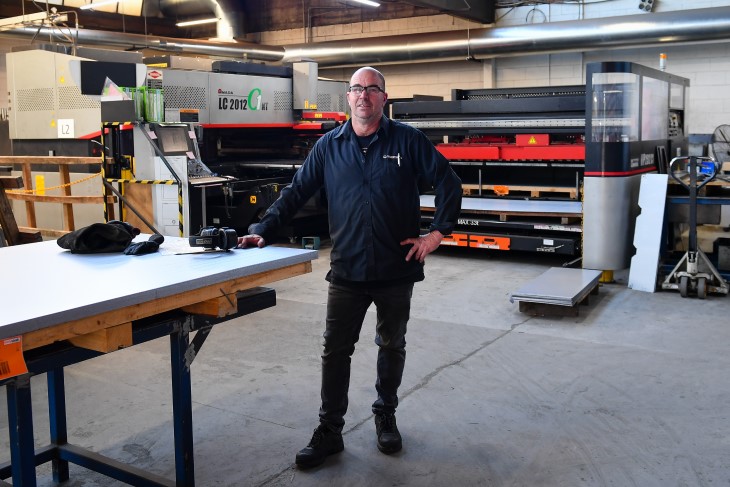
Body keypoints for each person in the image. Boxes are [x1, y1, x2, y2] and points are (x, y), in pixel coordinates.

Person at [237, 66, 462, 468]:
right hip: (347, 270)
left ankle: (385, 414)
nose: (364, 96)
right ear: (348, 98)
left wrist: (436, 234)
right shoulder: (328, 146)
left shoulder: (407, 141)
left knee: (391, 344)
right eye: (357, 89)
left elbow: (449, 183)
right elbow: (296, 191)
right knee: (335, 351)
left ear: (384, 98)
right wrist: (262, 230)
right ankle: (330, 430)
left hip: (397, 267)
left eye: (372, 90)